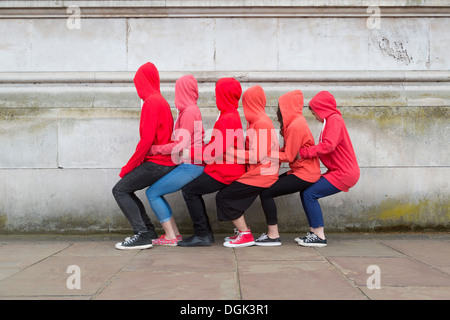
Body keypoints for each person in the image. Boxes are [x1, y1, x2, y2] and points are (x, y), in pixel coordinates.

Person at [112, 62, 176, 250]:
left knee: (120, 190)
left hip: (157, 163)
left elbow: (146, 141)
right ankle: (148, 232)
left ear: (144, 82)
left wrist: (129, 167)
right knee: (126, 190)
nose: (137, 88)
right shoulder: (161, 101)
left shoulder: (151, 102)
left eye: (137, 83)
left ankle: (142, 234)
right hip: (164, 162)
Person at [177, 77, 246, 247]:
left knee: (190, 190)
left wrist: (187, 151)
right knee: (191, 190)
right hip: (221, 168)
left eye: (217, 94)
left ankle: (202, 234)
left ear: (224, 95)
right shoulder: (227, 115)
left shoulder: (229, 118)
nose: (215, 98)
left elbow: (214, 151)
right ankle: (204, 234)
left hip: (225, 171)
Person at [145, 75, 205, 246]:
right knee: (156, 192)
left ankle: (171, 236)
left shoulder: (189, 112)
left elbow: (179, 145)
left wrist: (154, 149)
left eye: (177, 89)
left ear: (182, 90)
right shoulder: (189, 110)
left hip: (191, 166)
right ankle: (174, 234)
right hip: (191, 163)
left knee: (152, 193)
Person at [216, 85, 280, 248]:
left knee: (225, 197)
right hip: (257, 173)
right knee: (230, 197)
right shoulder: (255, 122)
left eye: (246, 102)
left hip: (262, 175)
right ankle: (242, 232)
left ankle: (245, 234)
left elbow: (256, 155)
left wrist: (228, 153)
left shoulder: (262, 123)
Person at [258, 90, 321, 246]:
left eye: (281, 106)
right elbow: (288, 151)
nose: (279, 110)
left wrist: (266, 154)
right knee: (266, 189)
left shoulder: (296, 125)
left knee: (266, 192)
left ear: (288, 106)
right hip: (302, 171)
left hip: (305, 174)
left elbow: (289, 156)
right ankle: (273, 234)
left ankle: (273, 235)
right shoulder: (294, 123)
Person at [297, 91, 360, 247]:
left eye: (314, 113)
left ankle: (319, 235)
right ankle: (314, 233)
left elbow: (328, 145)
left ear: (321, 108)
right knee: (306, 192)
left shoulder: (334, 119)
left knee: (310, 194)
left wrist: (304, 153)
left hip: (344, 173)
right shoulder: (331, 120)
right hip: (338, 171)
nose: (315, 117)